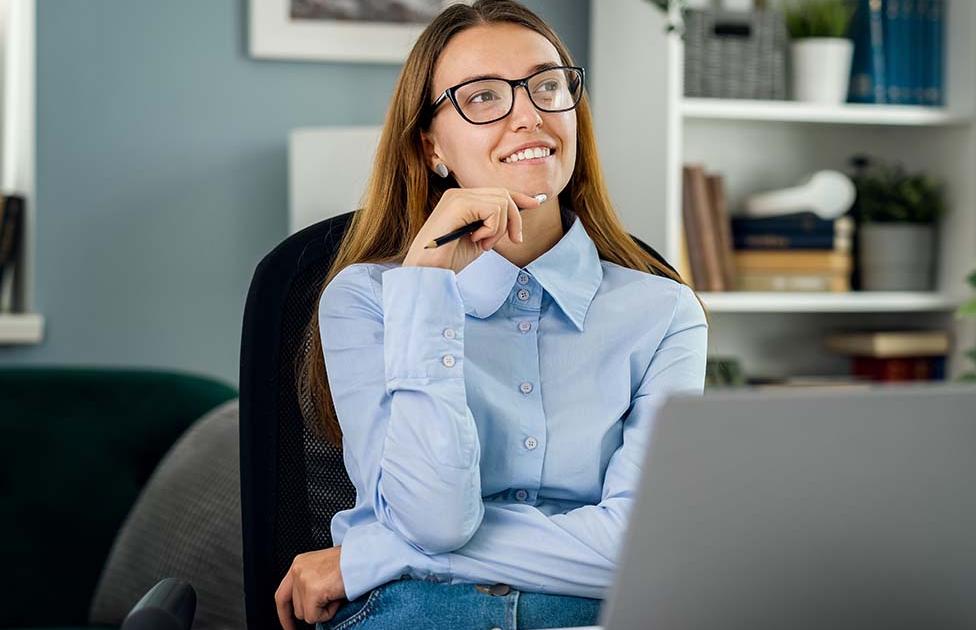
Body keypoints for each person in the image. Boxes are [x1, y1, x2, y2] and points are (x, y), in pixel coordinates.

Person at [276, 1, 709, 628]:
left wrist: (374, 553)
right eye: (482, 98)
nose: (529, 115)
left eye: (547, 85)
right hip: (418, 611)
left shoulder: (664, 313)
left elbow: (636, 549)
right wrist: (425, 290)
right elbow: (434, 519)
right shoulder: (367, 299)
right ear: (431, 147)